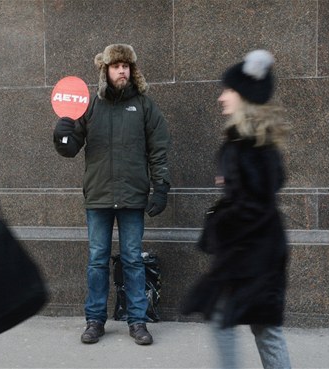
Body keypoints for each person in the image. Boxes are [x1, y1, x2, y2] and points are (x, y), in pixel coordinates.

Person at [53, 44, 171, 345]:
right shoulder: (91, 106)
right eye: (116, 65)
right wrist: (63, 130)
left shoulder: (144, 106)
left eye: (126, 66)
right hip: (99, 196)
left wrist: (161, 188)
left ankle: (137, 322)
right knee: (97, 260)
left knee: (132, 259)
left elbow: (159, 150)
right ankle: (94, 320)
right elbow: (69, 148)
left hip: (132, 197)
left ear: (132, 70)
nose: (122, 70)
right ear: (105, 70)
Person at [182, 50, 292, 368]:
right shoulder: (255, 142)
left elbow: (252, 206)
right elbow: (262, 193)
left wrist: (218, 222)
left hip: (250, 256)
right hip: (258, 253)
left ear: (243, 96)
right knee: (259, 327)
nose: (221, 97)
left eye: (228, 90)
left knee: (233, 322)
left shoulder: (245, 146)